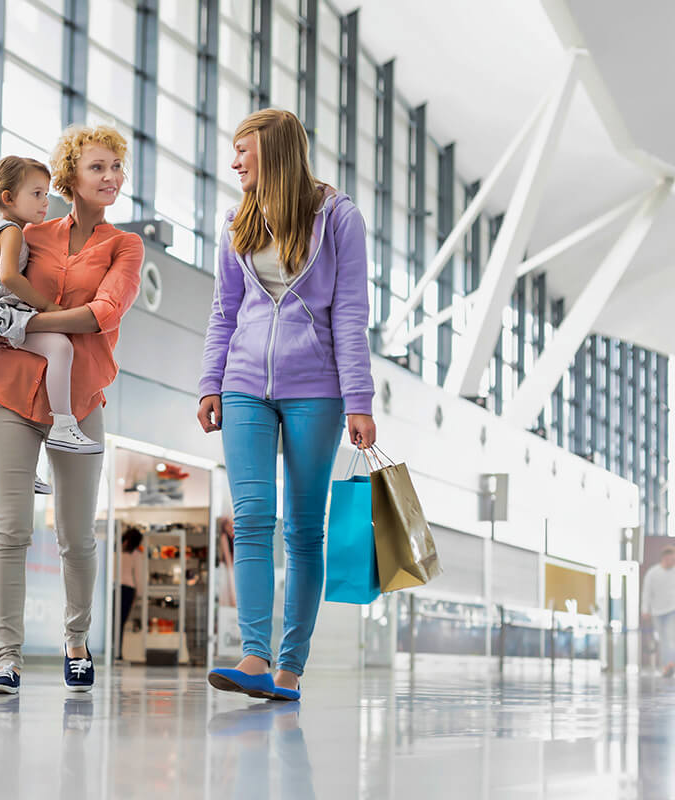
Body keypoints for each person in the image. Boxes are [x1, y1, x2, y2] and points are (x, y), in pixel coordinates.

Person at [197, 109, 376, 703]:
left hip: (317, 390)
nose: (234, 162)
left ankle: (289, 669)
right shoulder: (234, 221)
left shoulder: (338, 217)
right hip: (245, 382)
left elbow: (350, 314)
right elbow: (225, 311)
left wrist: (359, 398)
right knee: (250, 515)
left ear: (273, 152)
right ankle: (254, 655)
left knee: (303, 530)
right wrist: (210, 382)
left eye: (243, 150)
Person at [0, 124, 144, 695]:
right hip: (11, 396)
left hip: (82, 399)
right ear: (70, 176)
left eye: (117, 168)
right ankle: (7, 658)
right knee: (10, 530)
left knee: (76, 536)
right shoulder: (26, 231)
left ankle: (76, 641)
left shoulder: (125, 246)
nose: (112, 178)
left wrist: (21, 325)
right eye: (99, 167)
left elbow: (103, 313)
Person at [0, 156, 104, 458]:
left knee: (22, 385)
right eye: (36, 194)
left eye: (46, 194)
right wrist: (46, 305)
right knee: (60, 348)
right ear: (9, 197)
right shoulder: (10, 232)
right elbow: (9, 276)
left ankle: (29, 457)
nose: (45, 202)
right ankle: (64, 424)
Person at [641, 545, 675, 677]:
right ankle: (665, 666)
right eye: (671, 559)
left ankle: (670, 665)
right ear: (664, 558)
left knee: (670, 638)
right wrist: (645, 609)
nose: (674, 562)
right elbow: (647, 592)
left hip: (674, 609)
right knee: (662, 640)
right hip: (657, 611)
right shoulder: (653, 573)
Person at [117, 528, 145, 659]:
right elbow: (138, 576)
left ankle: (111, 651)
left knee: (111, 621)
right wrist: (139, 594)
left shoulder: (115, 552)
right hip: (127, 590)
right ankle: (117, 653)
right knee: (120, 622)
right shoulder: (136, 554)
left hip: (113, 588)